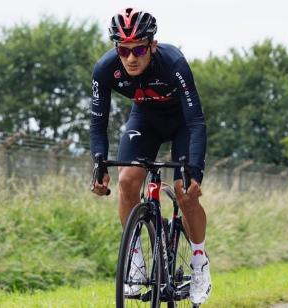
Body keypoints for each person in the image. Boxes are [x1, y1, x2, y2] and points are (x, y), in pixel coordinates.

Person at [90, 7, 211, 304]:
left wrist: (195, 170)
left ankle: (199, 262)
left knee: (184, 191)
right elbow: (97, 122)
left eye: (139, 49)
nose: (131, 57)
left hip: (182, 123)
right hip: (145, 120)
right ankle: (136, 259)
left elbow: (196, 121)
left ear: (152, 46)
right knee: (128, 180)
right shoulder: (105, 70)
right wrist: (99, 163)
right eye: (124, 50)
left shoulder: (174, 63)